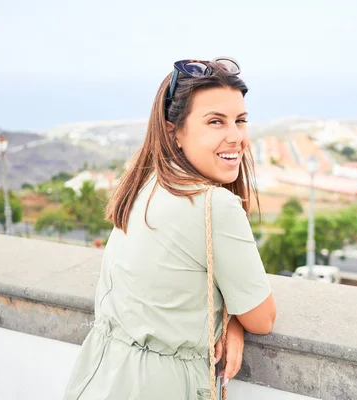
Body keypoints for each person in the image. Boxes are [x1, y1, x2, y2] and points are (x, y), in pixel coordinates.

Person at [63, 57, 276, 400]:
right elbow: (263, 318)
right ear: (174, 131)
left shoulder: (142, 183)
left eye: (240, 120)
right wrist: (236, 319)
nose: (235, 137)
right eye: (216, 122)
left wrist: (233, 318)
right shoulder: (214, 205)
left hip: (98, 378)